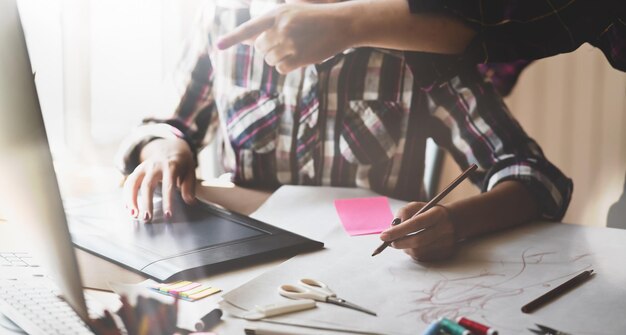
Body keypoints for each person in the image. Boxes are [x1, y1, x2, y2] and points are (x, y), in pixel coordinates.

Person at [118, 0, 572, 262]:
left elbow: (535, 176)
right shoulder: (224, 21)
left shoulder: (412, 43)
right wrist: (164, 148)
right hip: (238, 269)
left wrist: (456, 223)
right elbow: (171, 125)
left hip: (367, 278)